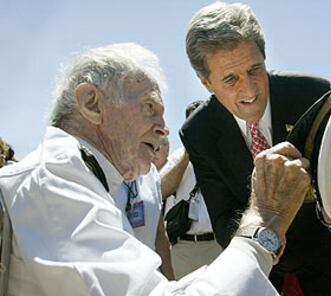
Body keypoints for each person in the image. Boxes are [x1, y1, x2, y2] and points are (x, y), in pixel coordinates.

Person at [0, 42, 313, 295]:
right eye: (149, 107)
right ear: (92, 103)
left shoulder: (118, 176)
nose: (164, 129)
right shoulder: (52, 182)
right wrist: (264, 220)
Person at [180, 2, 331, 294]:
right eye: (230, 79)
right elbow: (224, 219)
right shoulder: (198, 132)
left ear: (265, 57)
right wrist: (268, 244)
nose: (250, 90)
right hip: (266, 278)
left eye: (255, 69)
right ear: (206, 83)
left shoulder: (313, 93)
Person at [161, 100, 222, 279]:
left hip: (218, 245)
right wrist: (188, 154)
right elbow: (161, 190)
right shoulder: (178, 157)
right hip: (184, 247)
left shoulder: (224, 154)